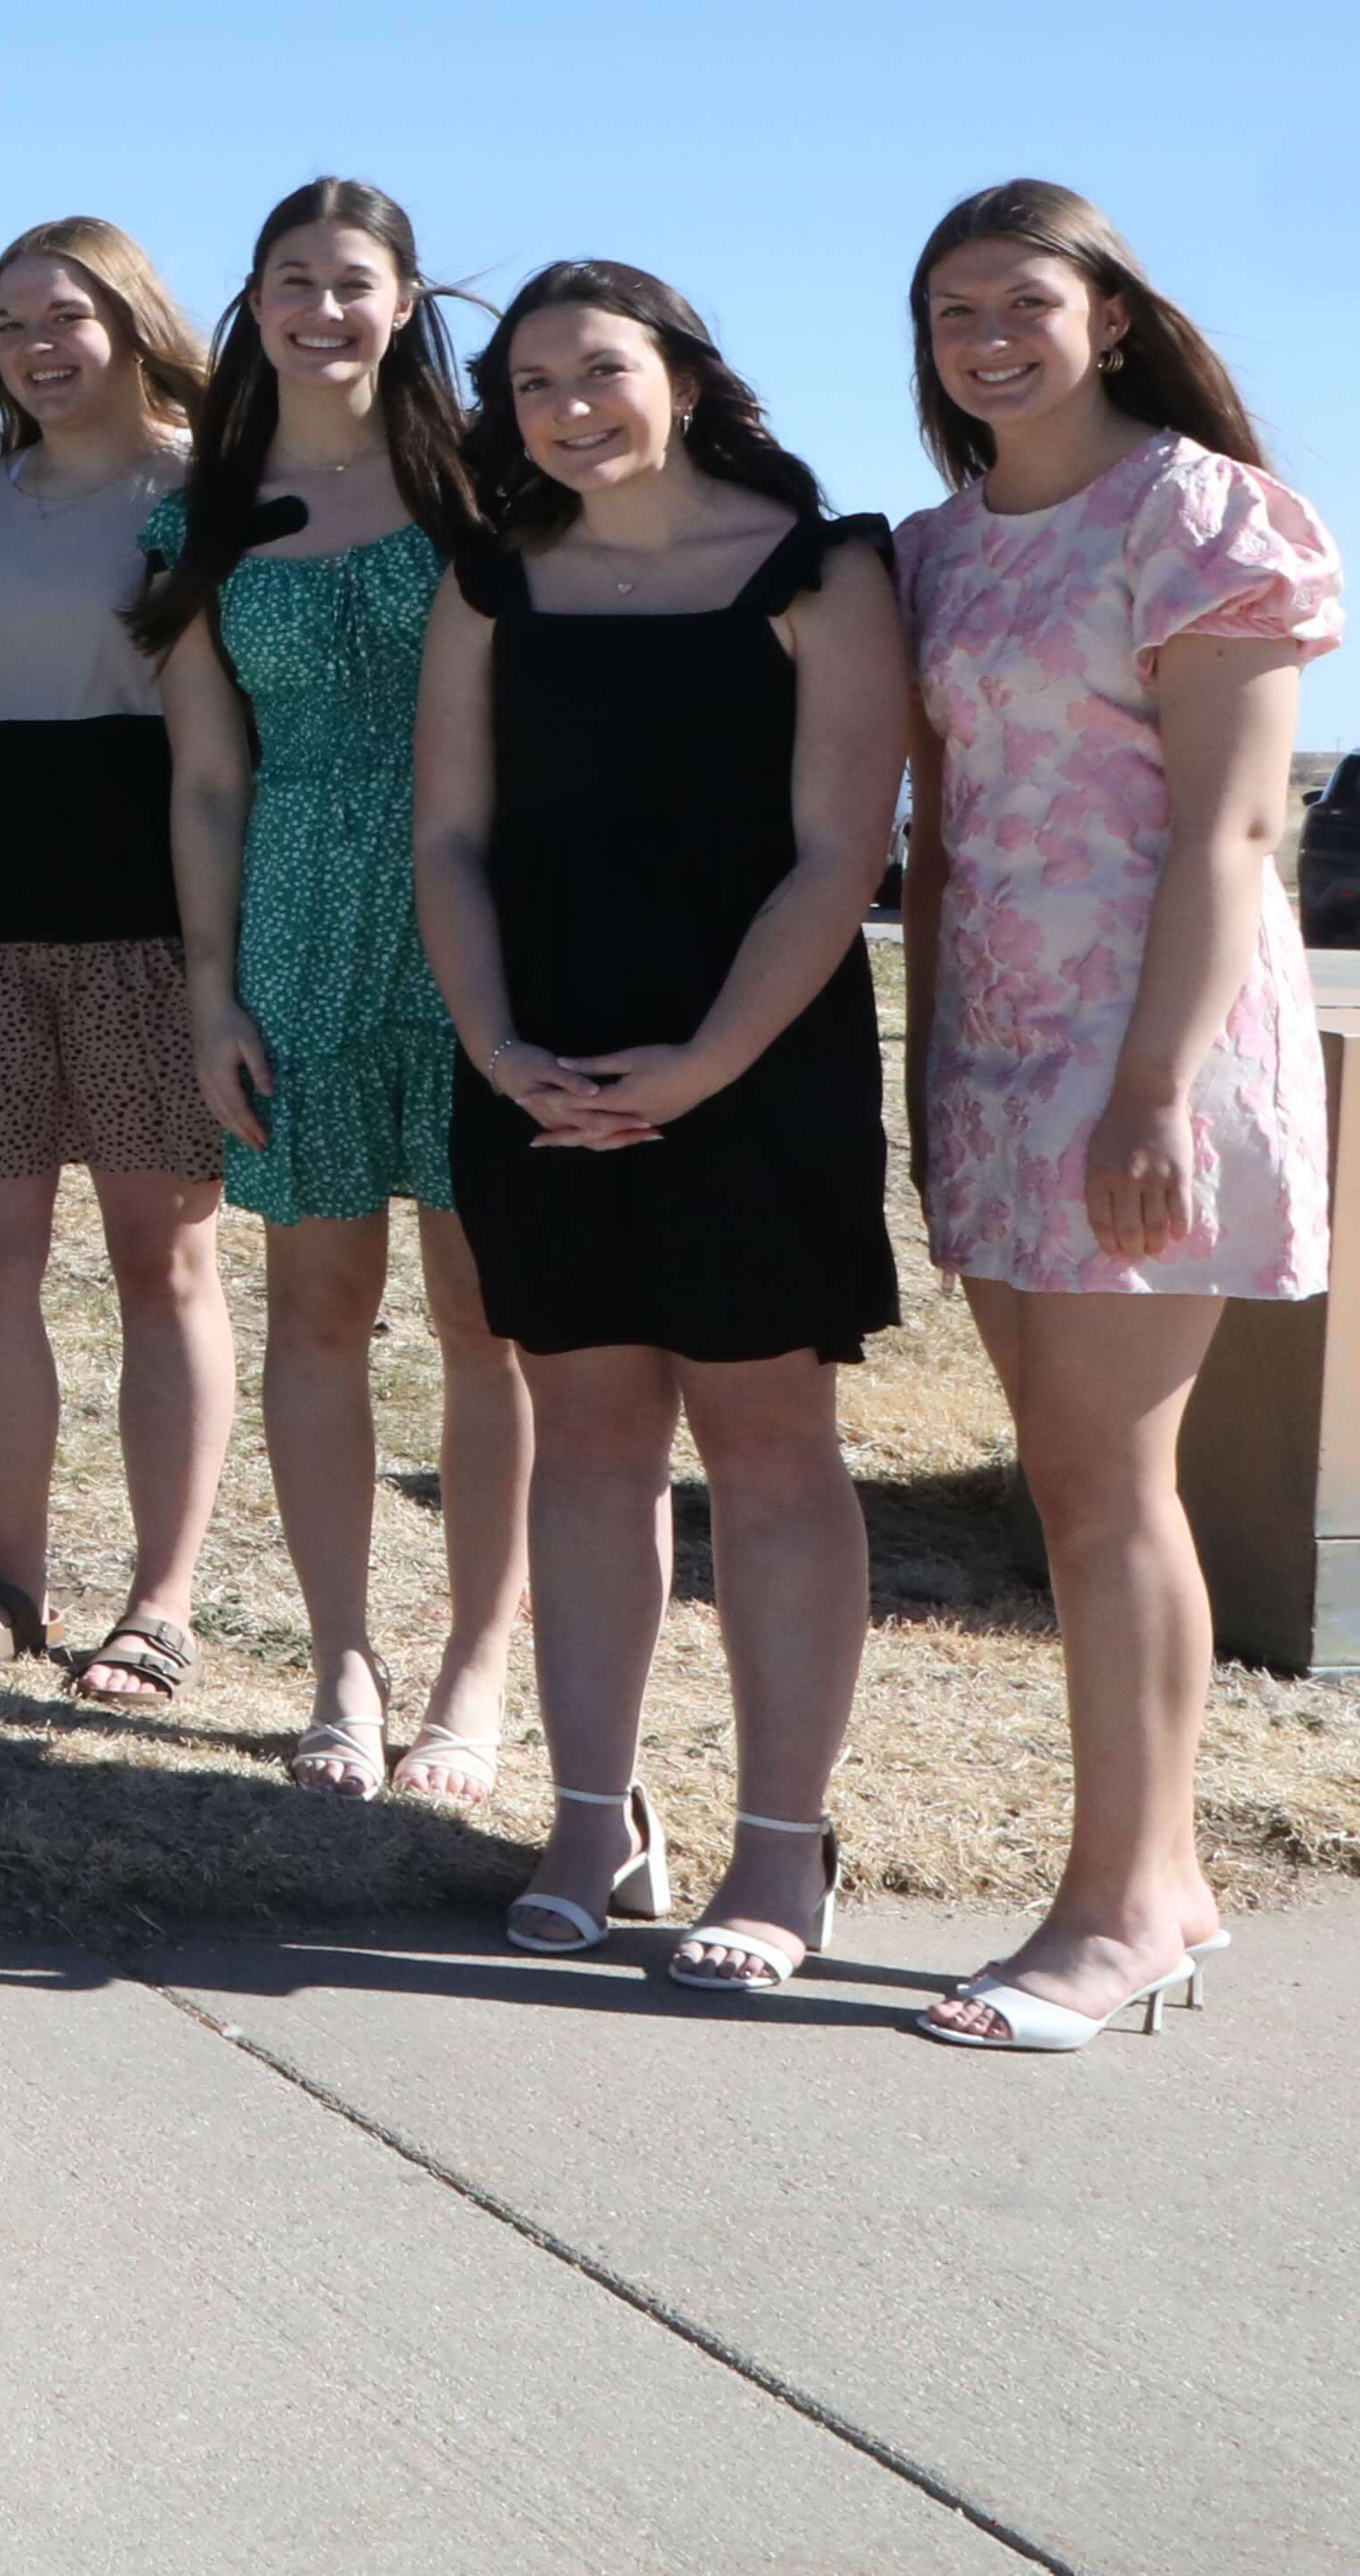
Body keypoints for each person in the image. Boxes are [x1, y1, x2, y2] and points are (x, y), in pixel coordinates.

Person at [412, 262, 906, 1993]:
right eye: (532, 379)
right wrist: (492, 1040)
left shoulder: (824, 566)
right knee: (591, 1439)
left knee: (771, 1447)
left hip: (754, 1067)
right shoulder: (489, 579)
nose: (568, 403)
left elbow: (840, 853)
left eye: (600, 367)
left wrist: (700, 1066)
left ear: (683, 372)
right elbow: (450, 837)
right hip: (536, 1063)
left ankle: (785, 1847)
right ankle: (592, 1815)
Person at [894, 184, 1333, 2050]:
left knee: (1106, 1481)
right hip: (997, 1053)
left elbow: (1236, 825)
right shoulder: (933, 547)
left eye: (1024, 299)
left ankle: (1126, 1902)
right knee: (1063, 1482)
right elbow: (935, 842)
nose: (988, 334)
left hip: (1155, 1055)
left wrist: (1152, 1089)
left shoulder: (1195, 512)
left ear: (1113, 317)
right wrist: (924, 1069)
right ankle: (1161, 1878)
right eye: (951, 309)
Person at [143, 181, 533, 1808]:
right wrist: (213, 991)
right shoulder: (201, 517)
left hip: (482, 933)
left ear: (405, 301)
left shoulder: (492, 490)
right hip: (296, 930)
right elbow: (207, 777)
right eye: (290, 281)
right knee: (317, 1312)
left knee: (486, 1324)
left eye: (353, 282)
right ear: (250, 304)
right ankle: (342, 1670)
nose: (322, 308)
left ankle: (477, 1675)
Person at [0, 220, 229, 1705]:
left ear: (134, 321)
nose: (38, 344)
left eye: (66, 314)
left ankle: (162, 1603)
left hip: (156, 929)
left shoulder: (214, 499)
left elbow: (219, 750)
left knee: (170, 1267)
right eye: (11, 322)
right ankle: (11, 1579)